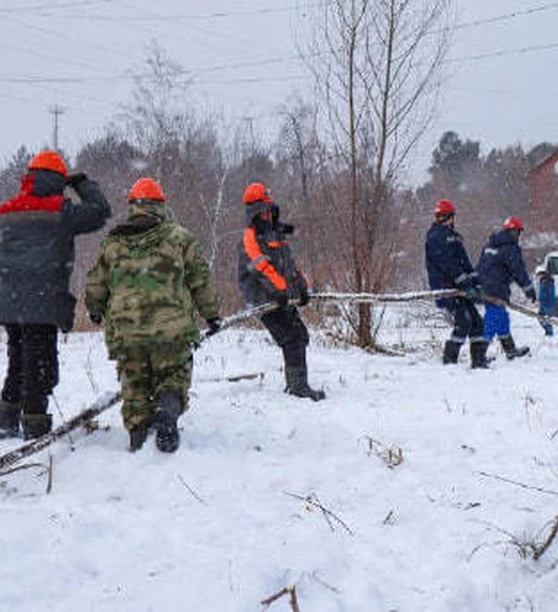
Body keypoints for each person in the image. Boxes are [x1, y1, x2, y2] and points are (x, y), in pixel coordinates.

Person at [85, 178, 220, 453]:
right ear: (161, 205)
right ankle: (167, 413)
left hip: (126, 332)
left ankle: (138, 439)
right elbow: (200, 281)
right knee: (173, 375)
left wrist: (95, 309)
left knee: (133, 384)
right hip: (171, 330)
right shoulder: (180, 238)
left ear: (133, 206)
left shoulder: (113, 243)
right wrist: (212, 315)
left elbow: (96, 284)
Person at [0, 151, 110, 440]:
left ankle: (6, 420)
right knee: (40, 365)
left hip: (9, 302)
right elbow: (100, 212)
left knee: (17, 358)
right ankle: (35, 427)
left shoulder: (6, 210)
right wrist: (82, 184)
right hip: (44, 300)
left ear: (29, 177)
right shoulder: (60, 211)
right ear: (59, 180)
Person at [237, 182, 325, 401]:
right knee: (291, 338)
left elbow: (290, 265)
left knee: (300, 335)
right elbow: (262, 268)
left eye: (270, 209)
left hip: (281, 297)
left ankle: (295, 384)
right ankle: (298, 388)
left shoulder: (276, 234)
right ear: (256, 212)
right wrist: (281, 290)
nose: (268, 214)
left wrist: (302, 286)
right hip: (264, 299)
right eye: (264, 210)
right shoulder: (250, 238)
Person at [424, 199, 489, 368]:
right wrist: (464, 283)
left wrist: (476, 283)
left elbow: (464, 262)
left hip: (461, 289)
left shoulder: (454, 237)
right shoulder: (435, 237)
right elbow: (447, 264)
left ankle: (479, 360)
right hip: (446, 289)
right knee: (464, 321)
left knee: (477, 322)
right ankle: (450, 361)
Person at [476, 216, 536, 359]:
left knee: (502, 318)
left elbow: (480, 266)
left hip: (485, 287)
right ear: (514, 232)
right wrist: (528, 289)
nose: (518, 236)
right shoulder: (510, 248)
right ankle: (479, 353)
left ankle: (510, 349)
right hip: (496, 288)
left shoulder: (490, 245)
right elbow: (518, 270)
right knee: (494, 317)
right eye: (517, 232)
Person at [535, 265, 556, 336]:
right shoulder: (545, 281)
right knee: (541, 318)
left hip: (547, 303)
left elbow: (545, 293)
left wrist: (541, 299)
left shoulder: (546, 281)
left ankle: (549, 332)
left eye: (538, 275)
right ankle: (548, 331)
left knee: (546, 319)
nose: (538, 277)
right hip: (544, 303)